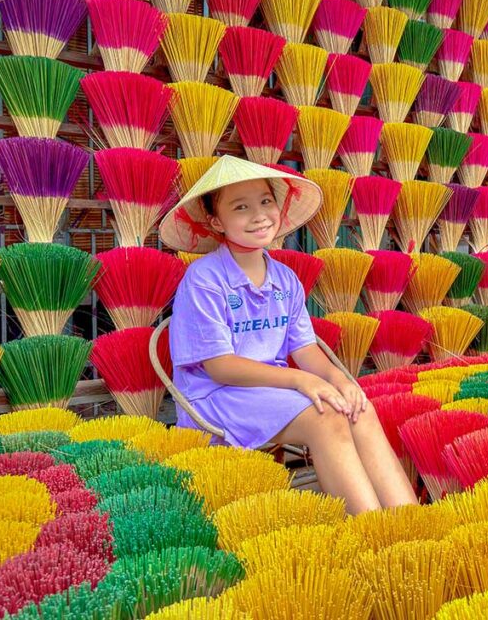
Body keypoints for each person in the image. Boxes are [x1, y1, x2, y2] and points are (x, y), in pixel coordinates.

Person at [159, 156, 417, 514]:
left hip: (272, 391)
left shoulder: (285, 279)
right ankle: (374, 531)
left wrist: (339, 380)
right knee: (326, 419)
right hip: (218, 396)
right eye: (241, 207)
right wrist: (300, 381)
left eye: (266, 201)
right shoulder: (204, 279)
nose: (259, 215)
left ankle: (411, 523)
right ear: (217, 222)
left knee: (357, 407)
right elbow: (219, 367)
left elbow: (306, 349)